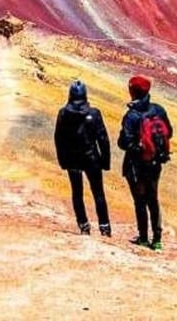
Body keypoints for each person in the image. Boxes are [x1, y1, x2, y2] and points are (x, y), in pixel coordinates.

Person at [118, 74, 173, 250]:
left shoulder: (132, 116)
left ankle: (143, 237)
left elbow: (123, 143)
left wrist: (137, 146)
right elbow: (169, 132)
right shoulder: (158, 110)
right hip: (156, 162)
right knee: (153, 199)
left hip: (137, 165)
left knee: (140, 200)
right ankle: (157, 240)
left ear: (132, 91)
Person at [54, 80, 111, 236]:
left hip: (72, 160)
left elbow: (59, 139)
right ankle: (105, 228)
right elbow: (103, 139)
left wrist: (62, 160)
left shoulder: (63, 114)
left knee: (77, 193)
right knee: (98, 193)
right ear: (85, 95)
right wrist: (105, 162)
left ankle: (84, 226)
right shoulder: (94, 113)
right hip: (92, 159)